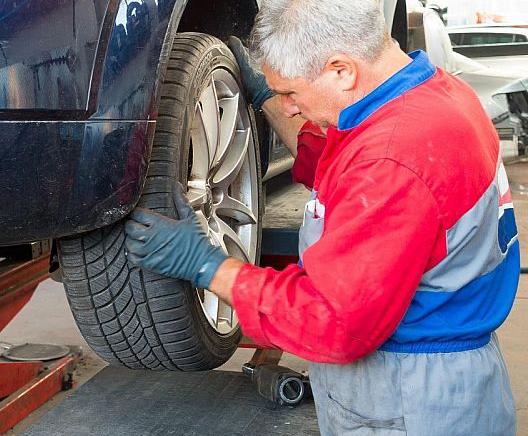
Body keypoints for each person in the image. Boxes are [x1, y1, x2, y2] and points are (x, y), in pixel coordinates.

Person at [124, 0, 519, 434]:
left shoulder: (393, 158)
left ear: (340, 70)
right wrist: (268, 97)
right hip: (437, 377)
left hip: (413, 398)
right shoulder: (434, 94)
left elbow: (333, 321)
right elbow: (342, 165)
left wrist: (207, 267)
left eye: (290, 93)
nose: (287, 106)